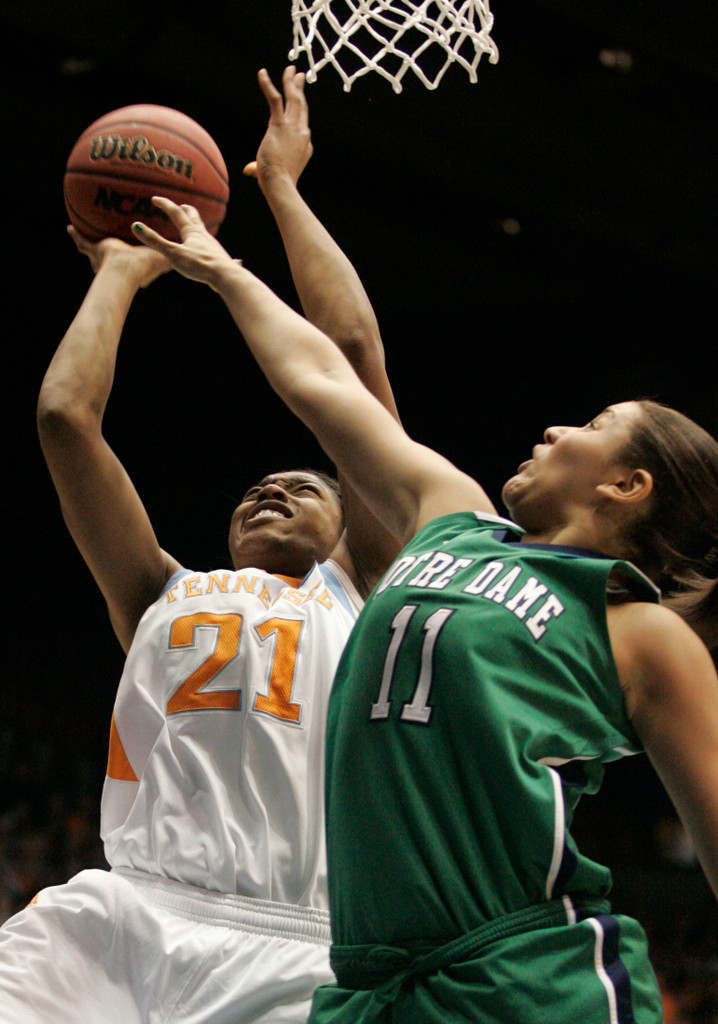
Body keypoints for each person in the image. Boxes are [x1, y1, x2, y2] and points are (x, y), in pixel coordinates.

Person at [127, 193, 718, 1024]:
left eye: (590, 425)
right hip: (375, 988)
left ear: (628, 485)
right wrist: (223, 271)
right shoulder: (453, 515)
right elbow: (324, 378)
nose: (552, 430)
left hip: (532, 983)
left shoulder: (640, 630)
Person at [0, 68, 400, 1024]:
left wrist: (282, 190)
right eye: (257, 489)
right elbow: (65, 418)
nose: (270, 487)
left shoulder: (366, 590)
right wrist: (118, 275)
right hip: (122, 915)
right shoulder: (157, 592)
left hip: (298, 941)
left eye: (304, 484)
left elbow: (350, 354)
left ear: (356, 521)